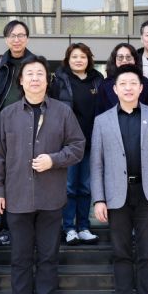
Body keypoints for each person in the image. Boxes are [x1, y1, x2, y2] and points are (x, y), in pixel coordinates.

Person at [0, 56, 85, 294]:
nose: (35, 78)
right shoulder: (8, 114)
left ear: (47, 80)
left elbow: (78, 145)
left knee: (48, 258)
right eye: (29, 74)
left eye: (40, 73)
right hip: (16, 198)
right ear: (21, 80)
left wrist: (54, 159)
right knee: (20, 258)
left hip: (51, 198)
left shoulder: (63, 112)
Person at [91, 65, 148, 294]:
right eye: (123, 84)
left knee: (147, 253)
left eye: (133, 83)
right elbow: (97, 163)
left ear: (141, 88)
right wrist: (99, 199)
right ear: (115, 89)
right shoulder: (102, 121)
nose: (128, 88)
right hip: (116, 196)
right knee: (121, 253)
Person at [0, 20, 36, 247]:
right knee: (4, 175)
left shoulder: (35, 64)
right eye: (12, 35)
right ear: (6, 39)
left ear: (27, 38)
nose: (17, 39)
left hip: (29, 124)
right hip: (1, 126)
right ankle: (5, 227)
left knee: (27, 176)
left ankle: (28, 227)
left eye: (21, 35)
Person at [49, 43, 103, 245]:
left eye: (83, 56)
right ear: (68, 59)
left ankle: (84, 227)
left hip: (91, 140)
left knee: (86, 187)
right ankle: (69, 228)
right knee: (70, 186)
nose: (79, 60)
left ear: (89, 59)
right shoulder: (60, 80)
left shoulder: (97, 80)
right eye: (74, 57)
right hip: (68, 143)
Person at [95, 43, 148, 114]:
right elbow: (99, 113)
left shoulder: (145, 82)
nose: (124, 60)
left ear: (135, 60)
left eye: (128, 57)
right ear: (115, 60)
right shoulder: (104, 84)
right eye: (120, 57)